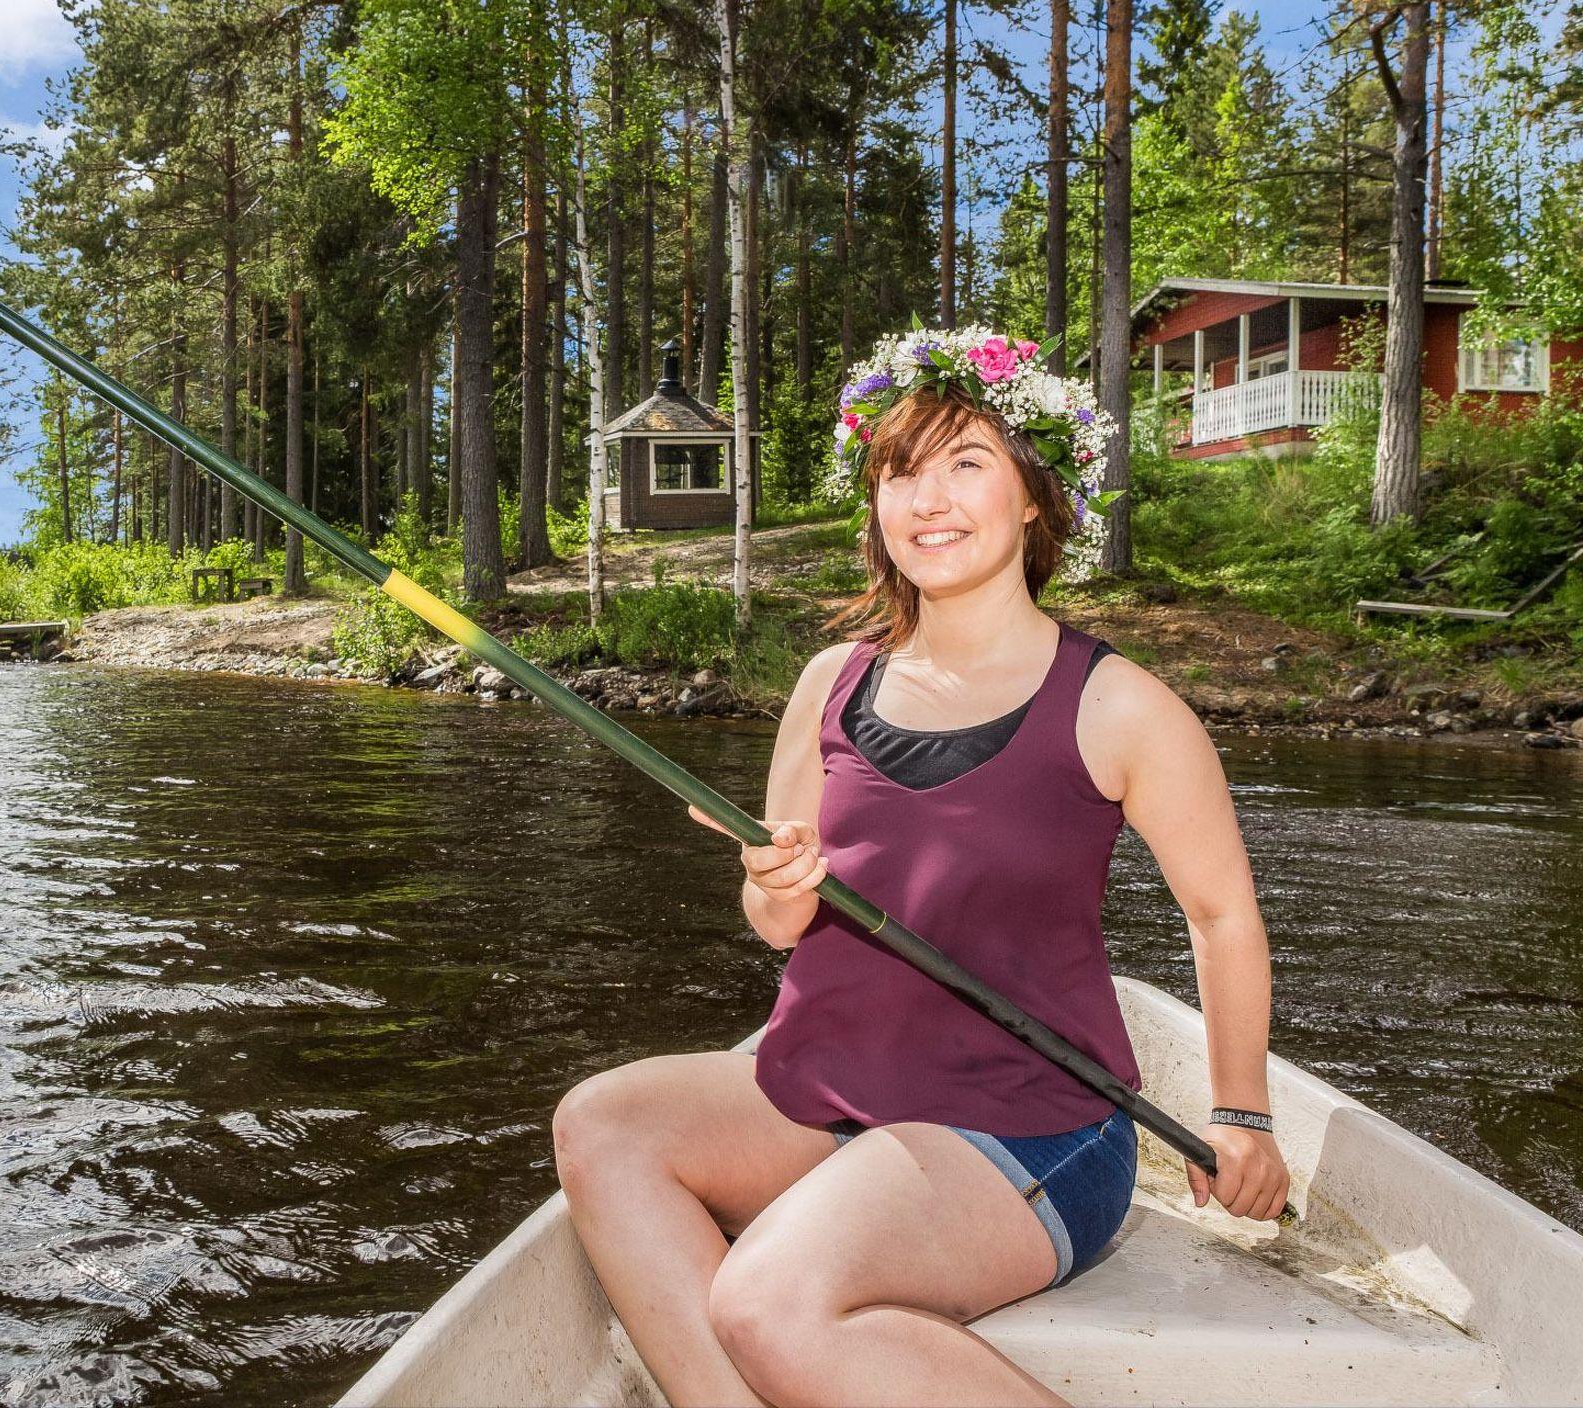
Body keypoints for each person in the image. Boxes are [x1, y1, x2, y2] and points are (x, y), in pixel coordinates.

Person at [552, 328, 1290, 1407]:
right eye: (901, 470)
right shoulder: (828, 681)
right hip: (827, 1092)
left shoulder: (1118, 704)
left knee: (765, 1302)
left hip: (1026, 1124)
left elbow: (1220, 915)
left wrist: (1242, 1114)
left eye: (966, 464)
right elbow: (774, 920)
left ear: (1034, 497)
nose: (927, 499)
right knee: (602, 1124)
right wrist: (772, 882)